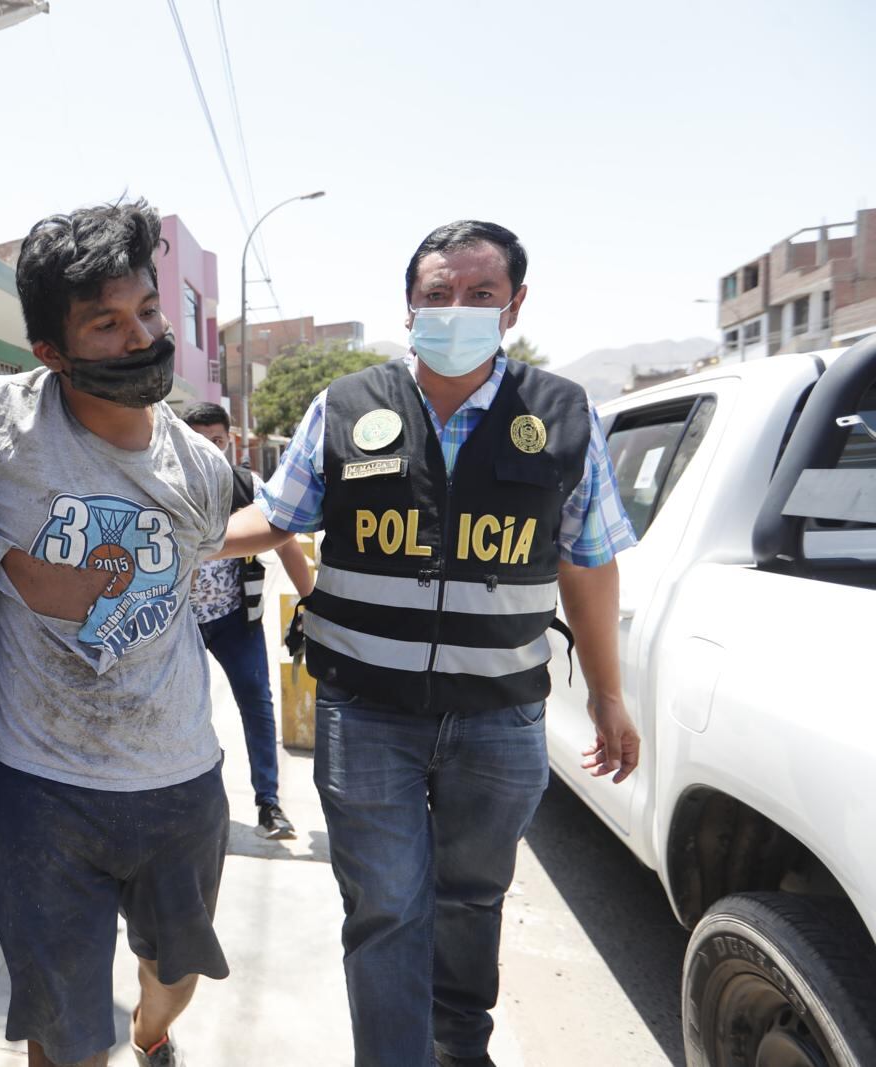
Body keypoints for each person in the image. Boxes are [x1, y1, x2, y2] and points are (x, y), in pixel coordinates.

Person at [220, 220, 641, 1067]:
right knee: (383, 907)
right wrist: (174, 534)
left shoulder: (562, 415)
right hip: (365, 715)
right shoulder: (344, 406)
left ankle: (459, 1046)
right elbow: (277, 515)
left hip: (500, 719)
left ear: (514, 305)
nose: (456, 310)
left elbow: (587, 565)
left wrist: (606, 692)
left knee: (470, 898)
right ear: (407, 308)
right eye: (437, 295)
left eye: (480, 295)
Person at [0, 200, 232, 1067]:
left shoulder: (203, 467)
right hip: (43, 792)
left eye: (148, 312)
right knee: (64, 1028)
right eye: (106, 324)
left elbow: (203, 570)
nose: (139, 335)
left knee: (169, 975)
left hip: (180, 779)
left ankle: (155, 1036)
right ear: (50, 349)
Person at [180, 402, 314, 839]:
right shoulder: (164, 485)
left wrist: (313, 602)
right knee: (182, 712)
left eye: (216, 441)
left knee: (257, 705)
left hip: (238, 619)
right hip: (179, 626)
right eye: (196, 441)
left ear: (229, 441)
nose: (207, 450)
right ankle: (195, 803)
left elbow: (288, 543)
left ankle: (269, 805)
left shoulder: (248, 486)